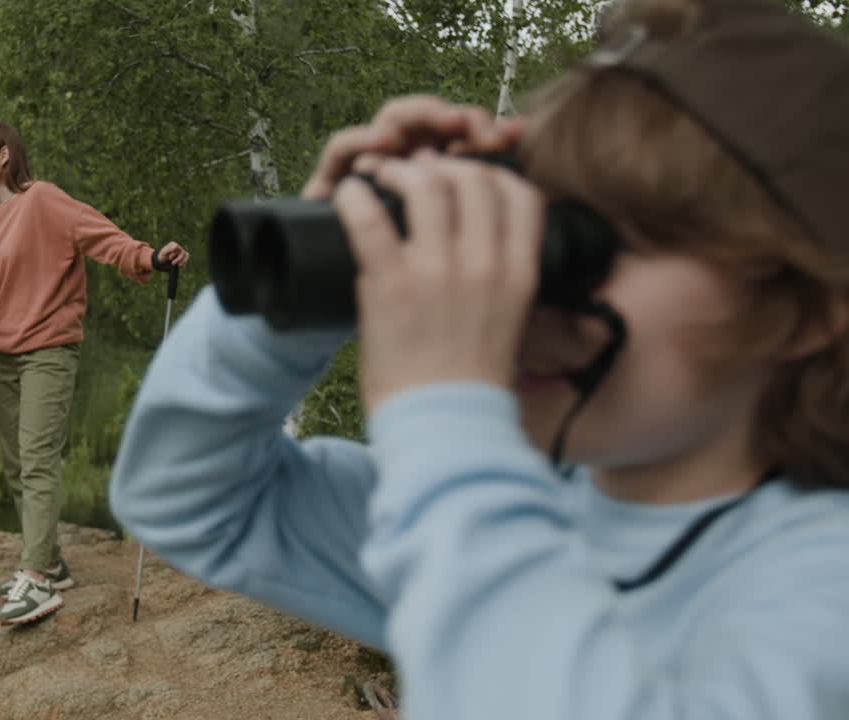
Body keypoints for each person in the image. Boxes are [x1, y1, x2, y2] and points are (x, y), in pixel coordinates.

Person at [109, 0, 849, 718]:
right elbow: (189, 498)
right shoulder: (504, 508)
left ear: (811, 309)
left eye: (594, 244)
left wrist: (443, 409)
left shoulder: (820, 589)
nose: (521, 282)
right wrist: (310, 284)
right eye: (532, 222)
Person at [0, 123, 190, 626]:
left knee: (38, 459)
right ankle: (51, 561)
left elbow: (99, 236)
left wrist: (149, 257)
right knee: (15, 464)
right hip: (4, 352)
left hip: (48, 348)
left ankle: (36, 580)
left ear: (4, 154)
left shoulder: (42, 199)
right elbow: (1, 297)